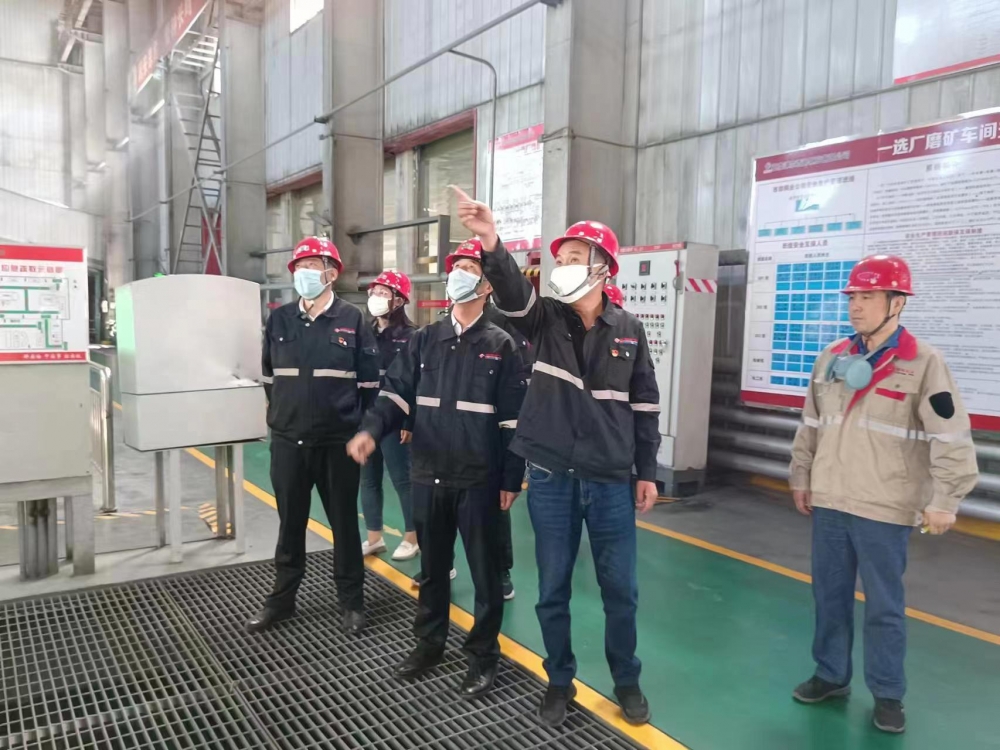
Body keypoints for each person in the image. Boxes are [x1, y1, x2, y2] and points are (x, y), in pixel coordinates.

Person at [452, 187, 661, 728]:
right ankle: (559, 680)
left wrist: (647, 471)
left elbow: (644, 406)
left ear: (603, 269)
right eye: (560, 259)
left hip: (611, 480)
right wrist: (491, 240)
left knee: (621, 590)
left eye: (573, 258)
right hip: (551, 477)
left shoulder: (630, 330)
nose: (562, 267)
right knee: (553, 589)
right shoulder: (542, 319)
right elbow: (512, 291)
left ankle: (627, 681)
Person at [789, 254, 979, 734]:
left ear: (897, 302)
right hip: (831, 500)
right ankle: (831, 674)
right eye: (853, 296)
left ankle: (888, 693)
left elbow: (951, 435)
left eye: (868, 296)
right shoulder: (832, 358)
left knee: (884, 606)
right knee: (829, 595)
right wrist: (801, 476)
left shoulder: (924, 363)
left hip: (885, 505)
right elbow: (811, 423)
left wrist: (946, 499)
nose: (856, 306)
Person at [346, 239, 527, 700]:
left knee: (486, 576)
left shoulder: (501, 345)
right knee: (433, 569)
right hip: (428, 473)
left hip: (479, 479)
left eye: (470, 268)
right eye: (456, 266)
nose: (459, 274)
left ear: (486, 285)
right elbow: (394, 394)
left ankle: (482, 657)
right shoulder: (425, 340)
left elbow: (513, 421)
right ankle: (429, 644)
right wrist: (371, 430)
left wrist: (511, 477)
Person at [247, 236, 380, 636]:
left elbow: (369, 385)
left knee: (344, 524)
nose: (303, 273)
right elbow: (269, 376)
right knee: (290, 524)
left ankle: (352, 603)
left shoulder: (353, 320)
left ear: (332, 273)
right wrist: (283, 416)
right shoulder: (280, 320)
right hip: (289, 442)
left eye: (311, 266)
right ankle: (282, 600)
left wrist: (360, 428)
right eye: (299, 267)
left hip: (338, 443)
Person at [361, 270, 419, 561]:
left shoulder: (412, 337)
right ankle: (374, 537)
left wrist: (410, 421)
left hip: (396, 421)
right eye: (375, 292)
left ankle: (412, 537)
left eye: (384, 293)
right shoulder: (365, 333)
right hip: (367, 419)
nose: (377, 297)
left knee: (402, 480)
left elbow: (417, 384)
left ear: (399, 300)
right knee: (368, 479)